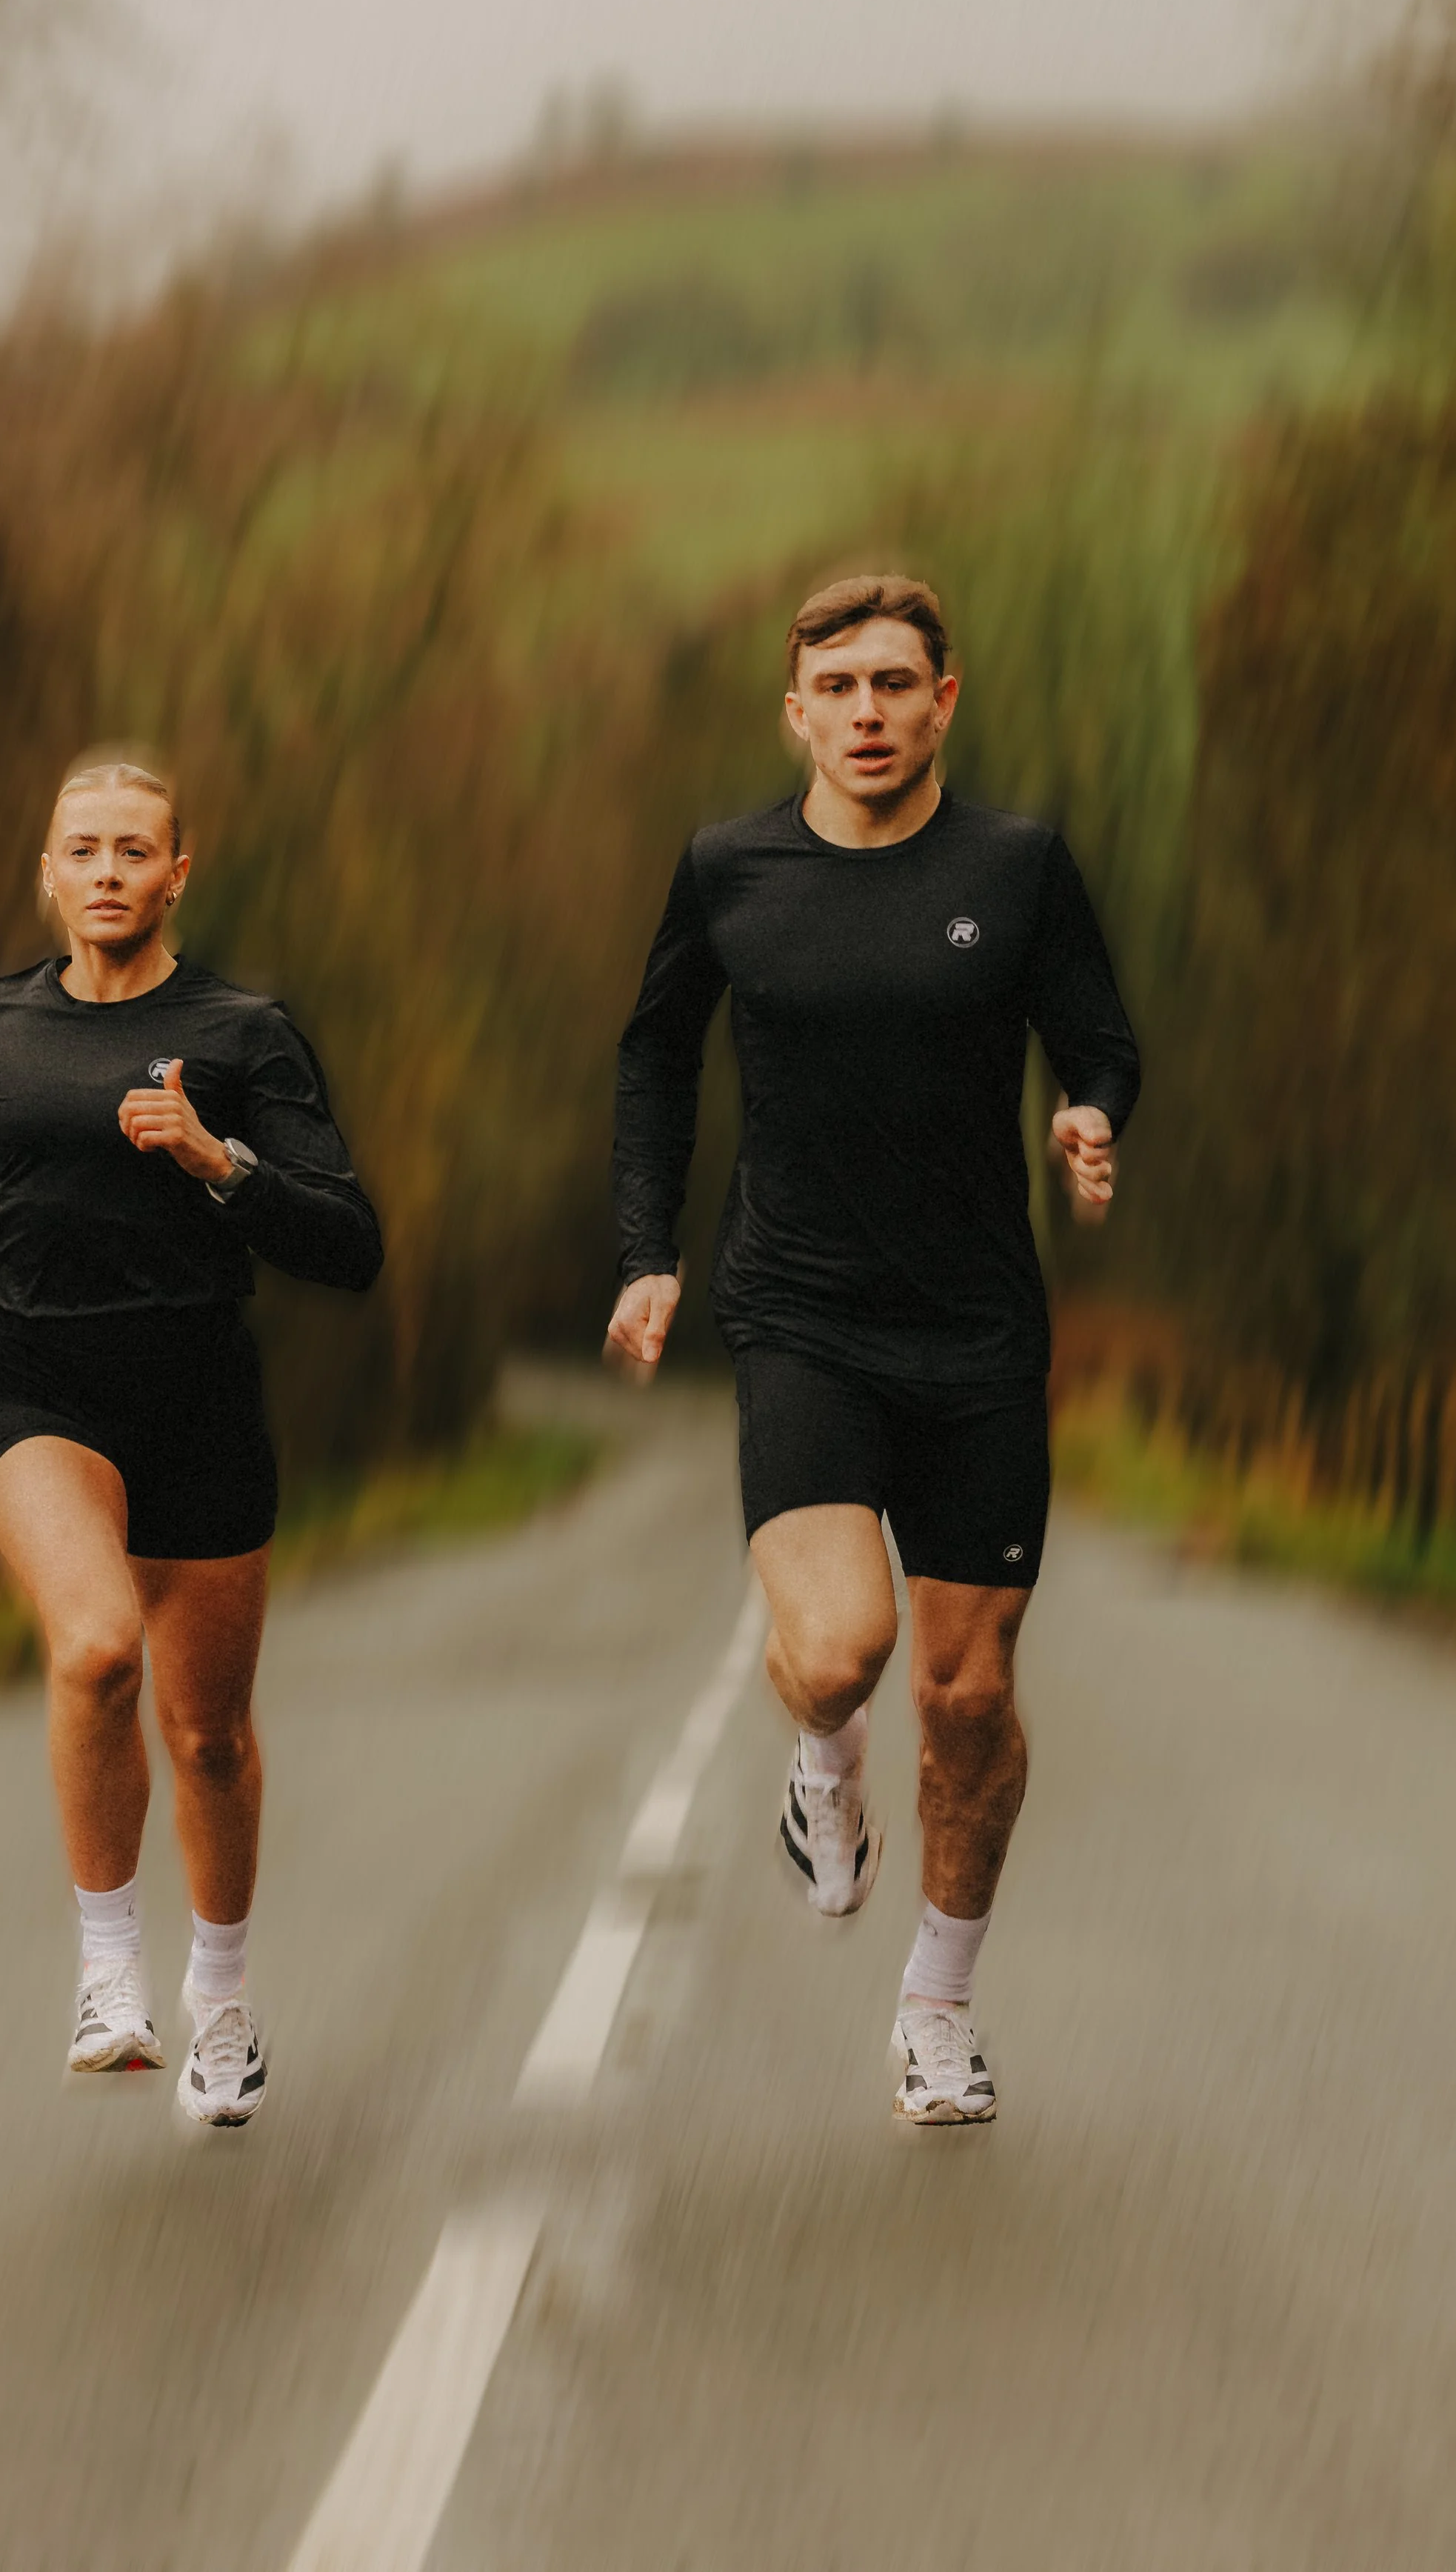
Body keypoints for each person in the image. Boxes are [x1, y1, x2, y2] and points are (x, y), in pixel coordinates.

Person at [607, 576, 1138, 2125]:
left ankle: (936, 2005)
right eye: (835, 687)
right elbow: (650, 1055)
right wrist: (645, 1249)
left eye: (893, 684)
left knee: (968, 1698)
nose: (865, 712)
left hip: (975, 1328)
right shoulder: (726, 870)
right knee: (841, 1649)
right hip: (799, 1316)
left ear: (942, 700)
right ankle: (820, 1761)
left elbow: (1096, 1033)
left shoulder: (1016, 869)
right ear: (795, 713)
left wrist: (1092, 1112)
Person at [0, 754, 382, 2126]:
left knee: (208, 1734)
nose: (106, 871)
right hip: (35, 1387)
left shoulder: (244, 1030)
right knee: (96, 1641)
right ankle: (111, 1975)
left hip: (202, 1409)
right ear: (47, 871)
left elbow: (351, 1241)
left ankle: (222, 1998)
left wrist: (223, 1163)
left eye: (132, 849)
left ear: (178, 870)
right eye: (82, 848)